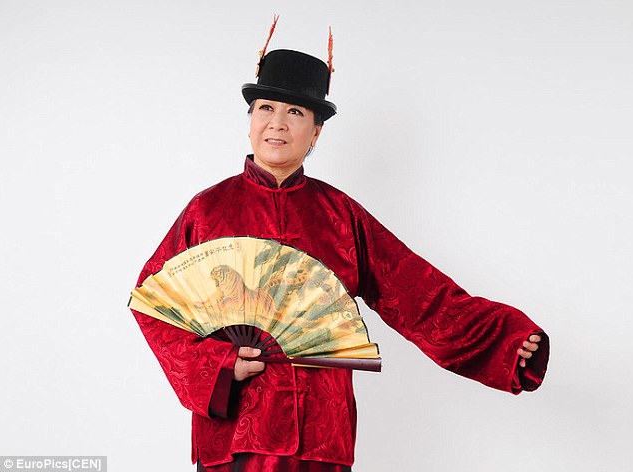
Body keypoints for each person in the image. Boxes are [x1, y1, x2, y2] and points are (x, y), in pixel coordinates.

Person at [130, 22, 549, 472]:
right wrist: (220, 363)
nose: (277, 123)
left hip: (320, 433)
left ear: (316, 133)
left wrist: (503, 338)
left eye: (295, 112)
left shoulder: (339, 214)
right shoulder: (207, 210)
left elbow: (418, 295)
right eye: (265, 107)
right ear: (250, 121)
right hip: (236, 434)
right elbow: (153, 305)